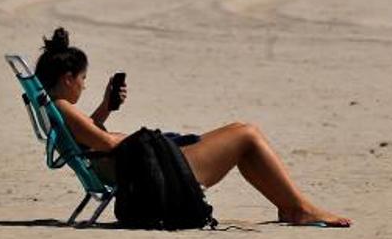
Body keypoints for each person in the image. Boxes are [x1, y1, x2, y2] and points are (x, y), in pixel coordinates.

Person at [35, 27, 350, 227]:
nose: (84, 86)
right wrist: (143, 138)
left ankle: (290, 206)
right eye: (83, 79)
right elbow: (107, 145)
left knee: (241, 132)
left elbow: (91, 141)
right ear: (67, 79)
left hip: (145, 166)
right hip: (155, 173)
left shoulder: (56, 109)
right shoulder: (63, 107)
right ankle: (299, 207)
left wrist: (106, 107)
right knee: (247, 134)